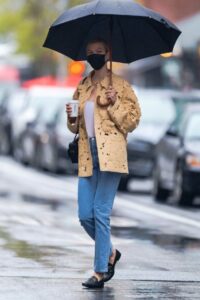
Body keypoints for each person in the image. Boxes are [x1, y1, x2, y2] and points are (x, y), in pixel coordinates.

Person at [66, 38, 141, 288]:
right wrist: (71, 117)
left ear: (108, 54)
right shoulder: (84, 85)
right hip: (88, 155)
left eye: (99, 52)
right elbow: (75, 127)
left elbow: (131, 122)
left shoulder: (120, 85)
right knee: (84, 215)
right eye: (90, 53)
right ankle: (110, 251)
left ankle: (100, 271)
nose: (94, 56)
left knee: (100, 212)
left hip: (111, 155)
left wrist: (115, 102)